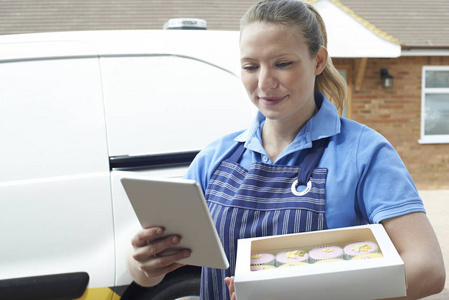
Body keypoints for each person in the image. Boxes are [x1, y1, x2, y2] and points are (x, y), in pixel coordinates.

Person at [127, 0, 446, 299]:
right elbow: (148, 273)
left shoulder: (365, 152)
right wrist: (143, 264)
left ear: (318, 60)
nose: (264, 82)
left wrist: (306, 292)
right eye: (251, 67)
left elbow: (428, 268)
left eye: (282, 63)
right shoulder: (215, 157)